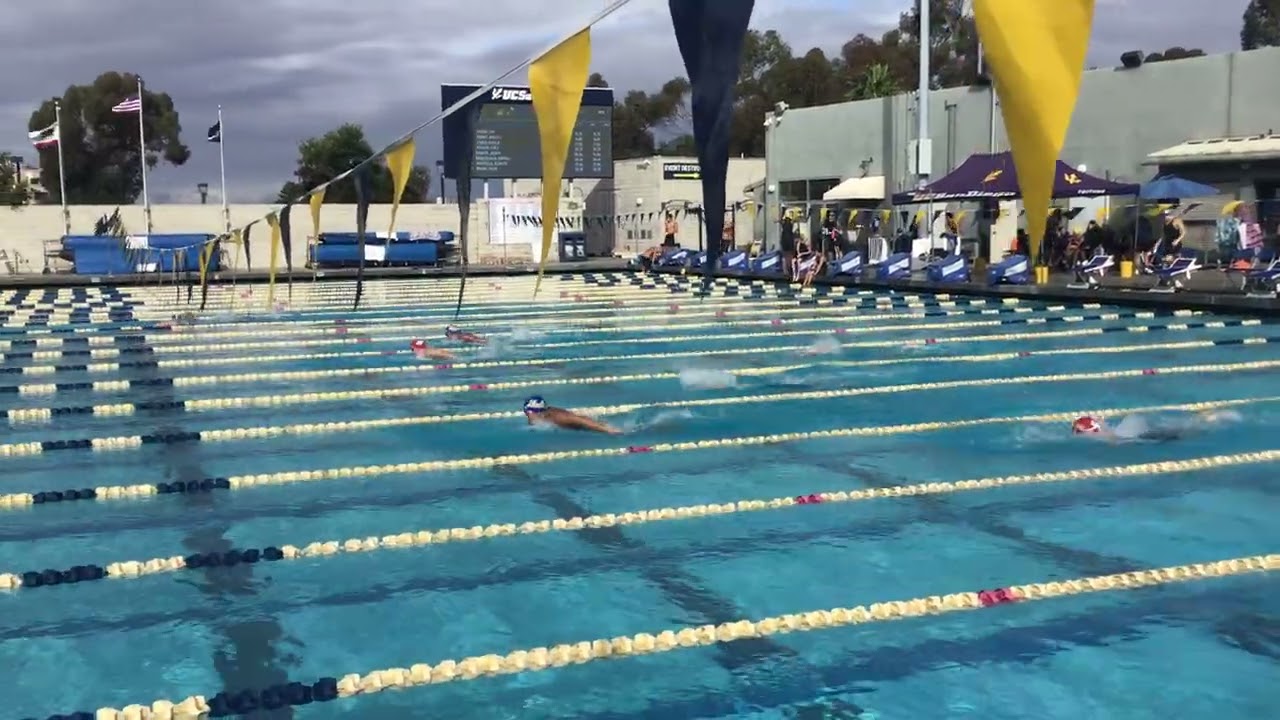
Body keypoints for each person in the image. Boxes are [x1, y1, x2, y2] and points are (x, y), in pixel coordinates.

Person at [1071, 411, 1233, 443]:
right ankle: (1206, 418)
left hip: (1133, 434)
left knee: (1182, 432)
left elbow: (1111, 437)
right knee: (1180, 432)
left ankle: (1209, 418)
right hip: (1131, 431)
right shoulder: (1092, 430)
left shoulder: (1092, 433)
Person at [523, 396, 622, 435]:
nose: (526, 415)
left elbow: (580, 420)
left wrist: (608, 430)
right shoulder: (540, 417)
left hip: (588, 425)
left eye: (527, 412)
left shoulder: (558, 418)